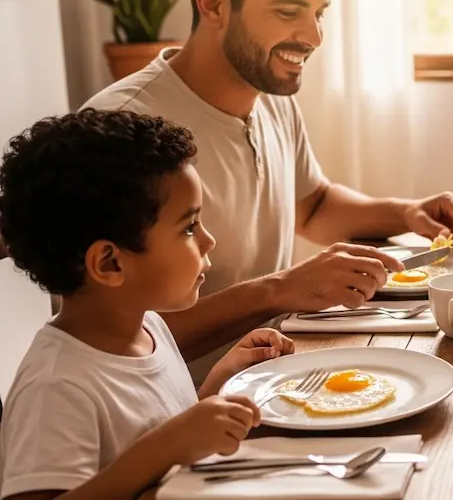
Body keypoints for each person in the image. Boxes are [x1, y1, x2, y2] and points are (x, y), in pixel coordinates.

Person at [82, 0, 453, 383]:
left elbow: (313, 206)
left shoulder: (268, 90)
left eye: (318, 13)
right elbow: (106, 339)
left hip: (273, 378)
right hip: (179, 416)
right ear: (213, 4)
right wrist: (278, 290)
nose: (313, 35)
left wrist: (405, 212)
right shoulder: (120, 128)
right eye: (289, 11)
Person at [0, 109, 297, 499]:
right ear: (110, 262)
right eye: (189, 227)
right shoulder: (56, 386)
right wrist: (164, 448)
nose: (209, 241)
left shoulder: (148, 327)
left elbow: (167, 440)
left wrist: (217, 387)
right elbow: (157, 451)